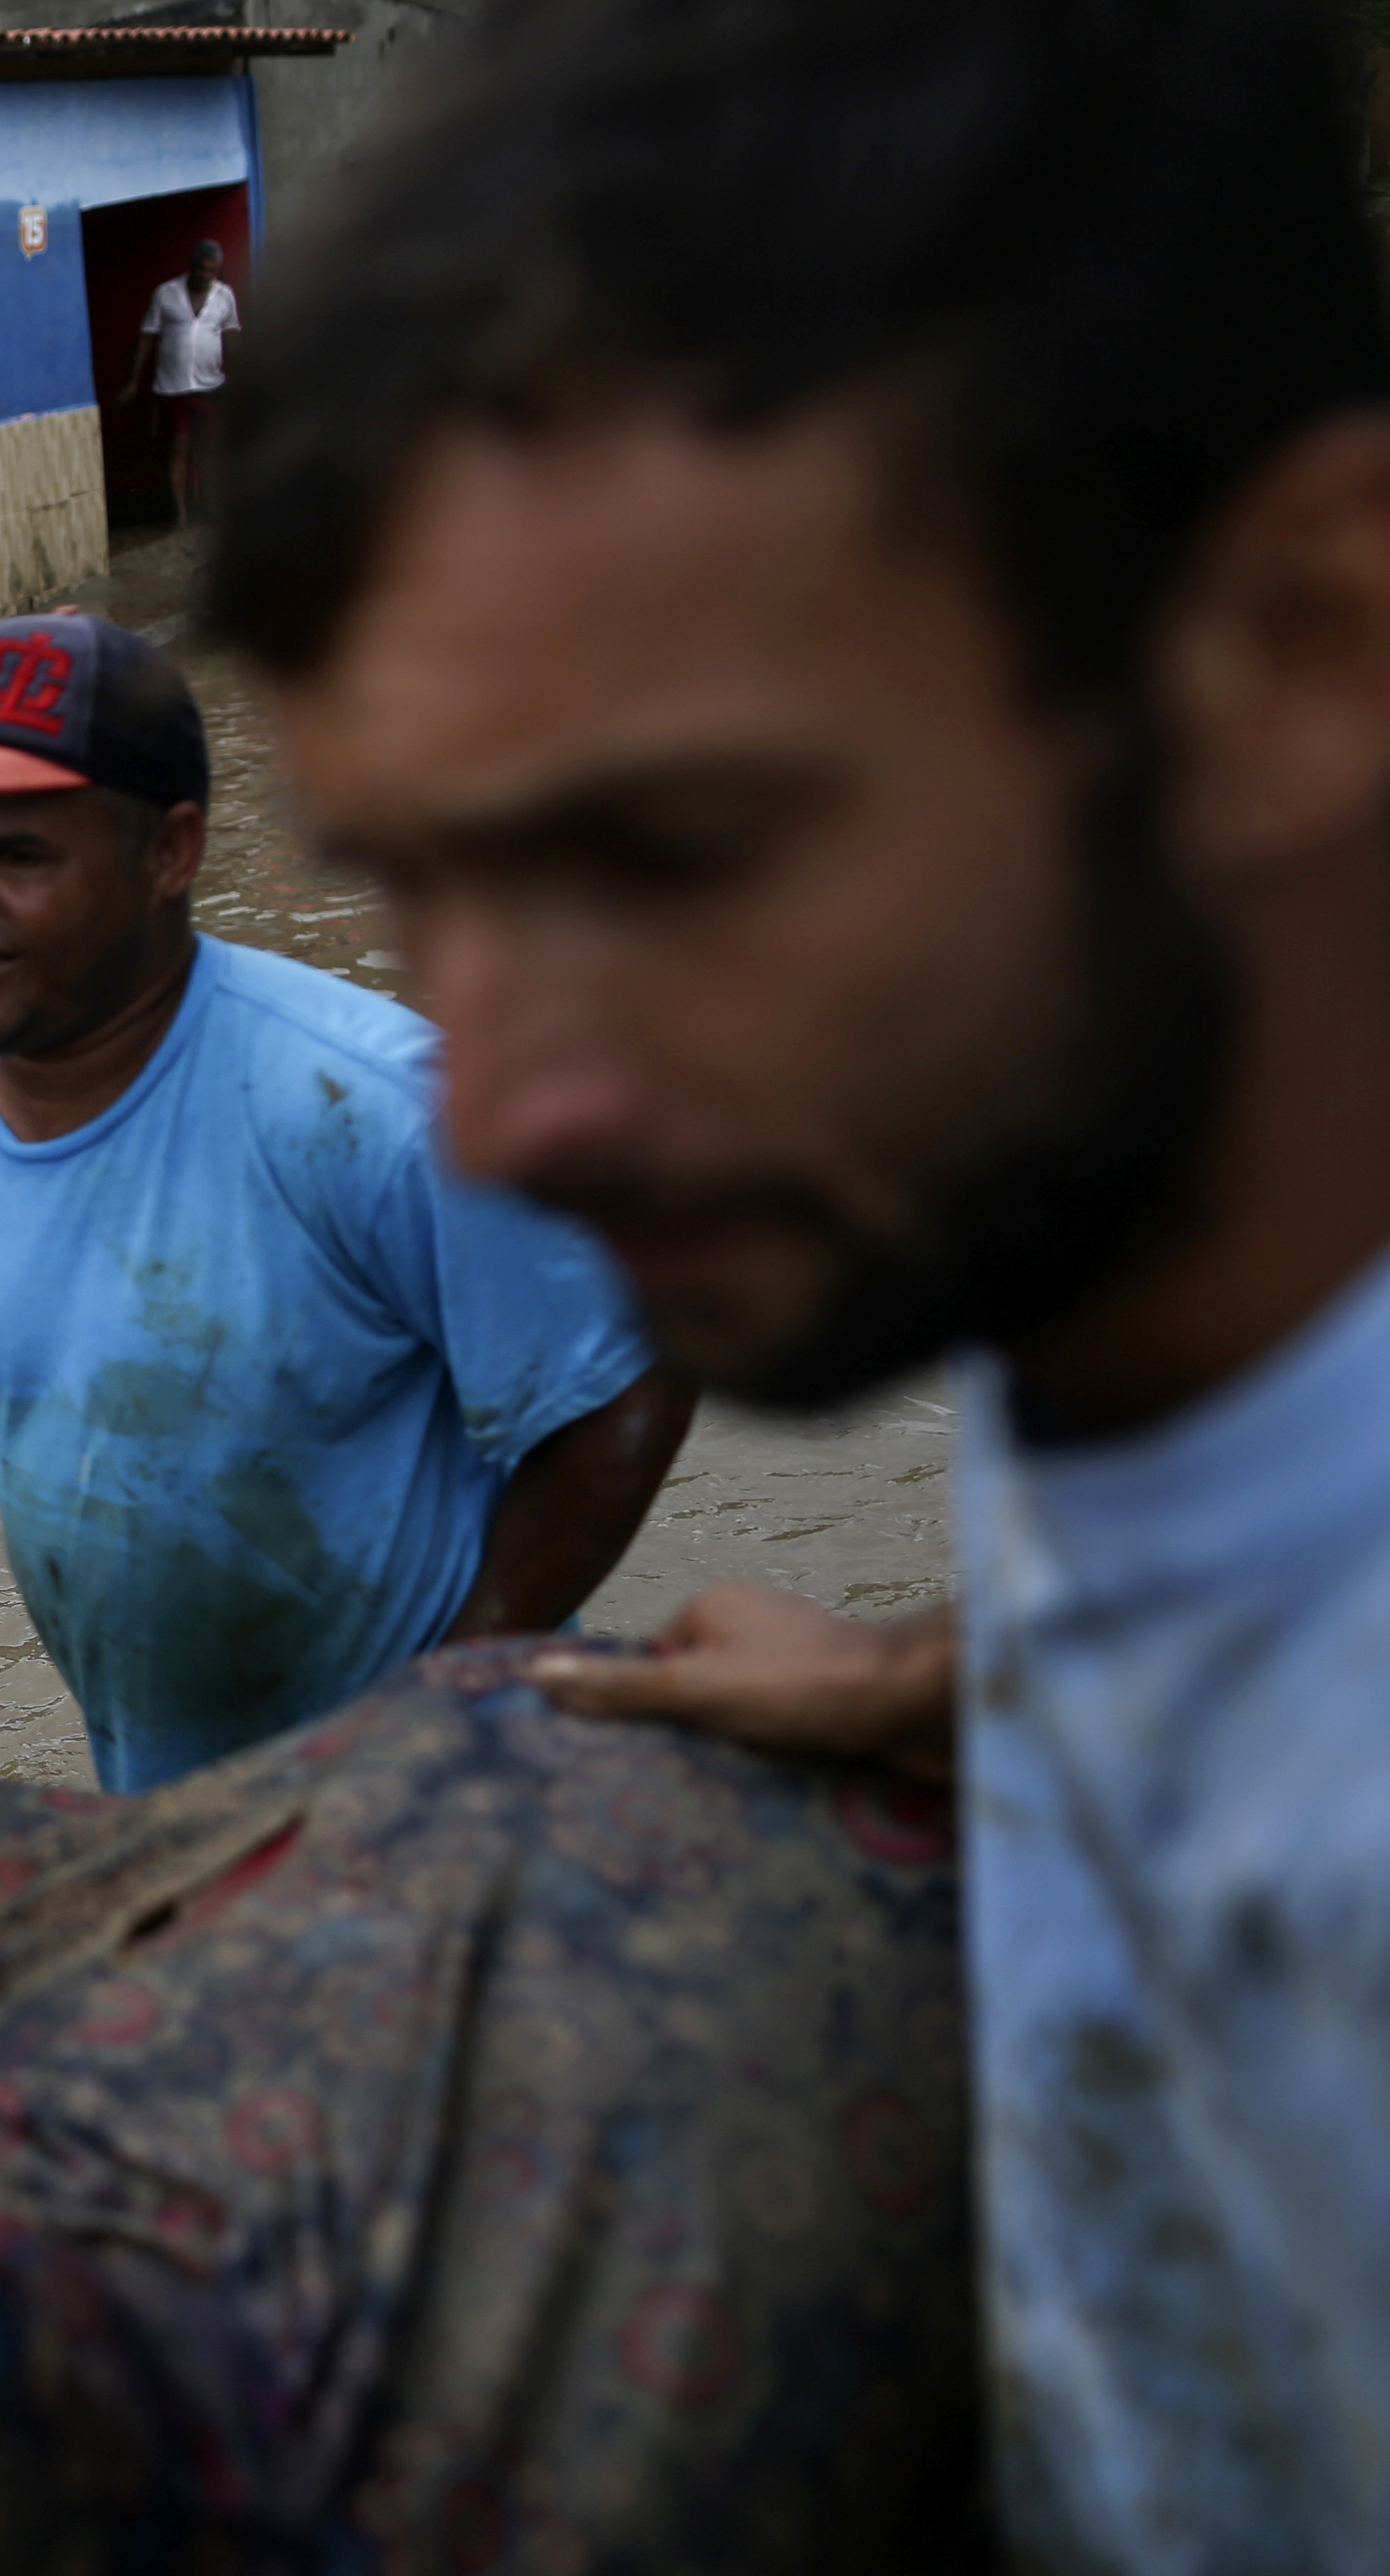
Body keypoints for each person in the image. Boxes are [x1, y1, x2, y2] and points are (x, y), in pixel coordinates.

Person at [205, 0, 1390, 2558]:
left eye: (672, 853)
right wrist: (952, 1681)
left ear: (1296, 649)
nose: (500, 1112)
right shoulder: (1162, 1331)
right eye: (418, 884)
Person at [0, 611, 690, 1789]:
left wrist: (452, 1691)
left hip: (449, 1786)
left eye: (16, 856)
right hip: (167, 1792)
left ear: (169, 853)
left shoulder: (377, 1106)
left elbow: (623, 1382)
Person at [118, 238, 237, 525]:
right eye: (201, 270)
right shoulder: (166, 294)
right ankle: (181, 513)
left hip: (210, 385)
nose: (206, 276)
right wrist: (134, 380)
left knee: (209, 449)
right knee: (179, 448)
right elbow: (147, 335)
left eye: (212, 271)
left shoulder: (225, 296)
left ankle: (213, 510)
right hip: (173, 387)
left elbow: (232, 334)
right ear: (191, 267)